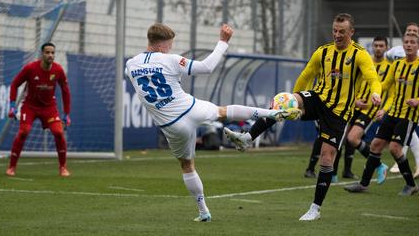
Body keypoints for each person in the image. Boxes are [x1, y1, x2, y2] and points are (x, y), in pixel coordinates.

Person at [125, 23, 299, 222]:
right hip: (189, 107)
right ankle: (271, 113)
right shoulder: (170, 60)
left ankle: (203, 211)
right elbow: (206, 67)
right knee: (223, 112)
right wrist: (223, 42)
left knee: (187, 165)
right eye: (169, 45)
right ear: (161, 46)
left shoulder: (131, 64)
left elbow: (138, 78)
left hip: (171, 124)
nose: (170, 48)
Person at [224, 13, 382, 221]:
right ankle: (247, 138)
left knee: (327, 158)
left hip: (339, 113)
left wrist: (375, 92)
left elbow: (372, 76)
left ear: (351, 32)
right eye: (335, 30)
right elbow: (306, 75)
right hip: (319, 98)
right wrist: (292, 100)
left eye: (342, 32)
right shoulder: (323, 52)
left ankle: (315, 208)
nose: (337, 35)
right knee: (281, 102)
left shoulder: (360, 55)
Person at [344, 33, 419, 196]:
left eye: (412, 42)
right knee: (376, 144)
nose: (409, 45)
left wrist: (418, 100)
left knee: (394, 148)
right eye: (406, 42)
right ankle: (363, 184)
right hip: (392, 113)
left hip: (408, 115)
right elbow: (384, 85)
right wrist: (375, 93)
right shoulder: (397, 65)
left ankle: (411, 184)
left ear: (417, 46)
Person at [330, 36, 392, 182]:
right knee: (340, 137)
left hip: (369, 109)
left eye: (381, 46)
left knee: (352, 138)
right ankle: (332, 173)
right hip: (354, 104)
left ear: (386, 48)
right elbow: (352, 82)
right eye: (376, 45)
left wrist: (384, 109)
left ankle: (378, 165)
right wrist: (354, 100)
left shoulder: (389, 68)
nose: (378, 48)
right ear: (372, 46)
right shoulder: (364, 61)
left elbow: (392, 93)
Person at [6, 42, 71, 177]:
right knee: (24, 131)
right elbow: (14, 84)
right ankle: (12, 167)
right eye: (47, 52)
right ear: (42, 54)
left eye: (52, 53)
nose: (50, 55)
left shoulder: (58, 70)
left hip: (49, 108)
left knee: (58, 132)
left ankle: (63, 168)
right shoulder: (30, 68)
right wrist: (12, 105)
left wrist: (66, 114)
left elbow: (65, 91)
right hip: (30, 106)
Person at [385, 22, 419, 178]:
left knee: (408, 136)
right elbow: (387, 58)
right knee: (408, 136)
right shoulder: (396, 54)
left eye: (414, 34)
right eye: (408, 33)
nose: (409, 44)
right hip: (399, 107)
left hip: (413, 107)